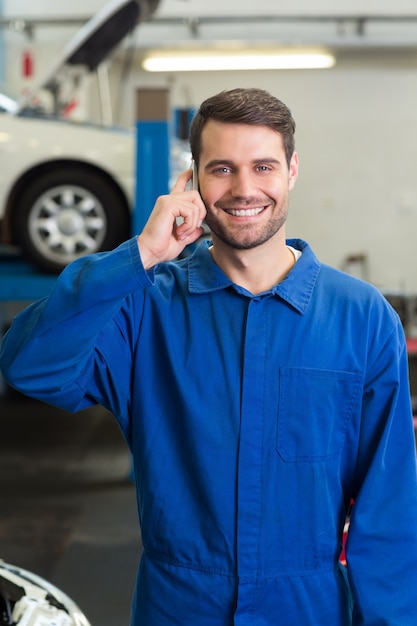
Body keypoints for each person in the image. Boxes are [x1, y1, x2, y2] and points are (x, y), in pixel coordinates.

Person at [1, 87, 417, 625]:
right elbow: (29, 365)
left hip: (307, 606)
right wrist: (142, 255)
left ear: (291, 170)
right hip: (178, 606)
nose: (245, 189)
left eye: (263, 166)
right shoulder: (144, 307)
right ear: (193, 178)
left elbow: (389, 506)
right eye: (222, 168)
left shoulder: (361, 318)